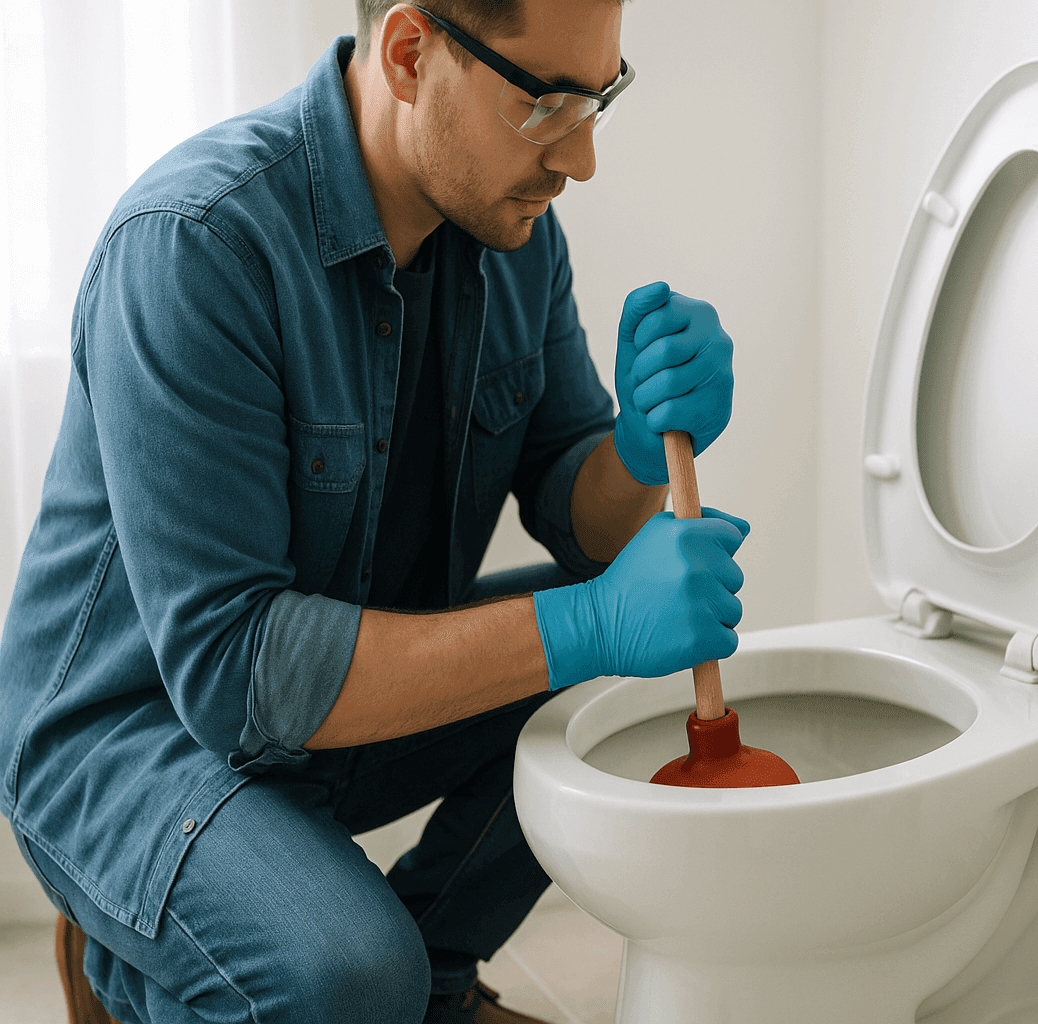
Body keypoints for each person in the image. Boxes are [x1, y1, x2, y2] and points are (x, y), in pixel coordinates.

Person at [0, 1, 748, 1022]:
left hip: (331, 709)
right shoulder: (195, 243)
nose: (580, 160)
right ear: (409, 53)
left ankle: (434, 982)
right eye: (547, 104)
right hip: (135, 734)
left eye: (600, 98)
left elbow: (585, 524)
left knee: (621, 686)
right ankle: (135, 945)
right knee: (349, 978)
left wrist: (636, 452)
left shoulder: (516, 233)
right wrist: (589, 622)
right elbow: (234, 672)